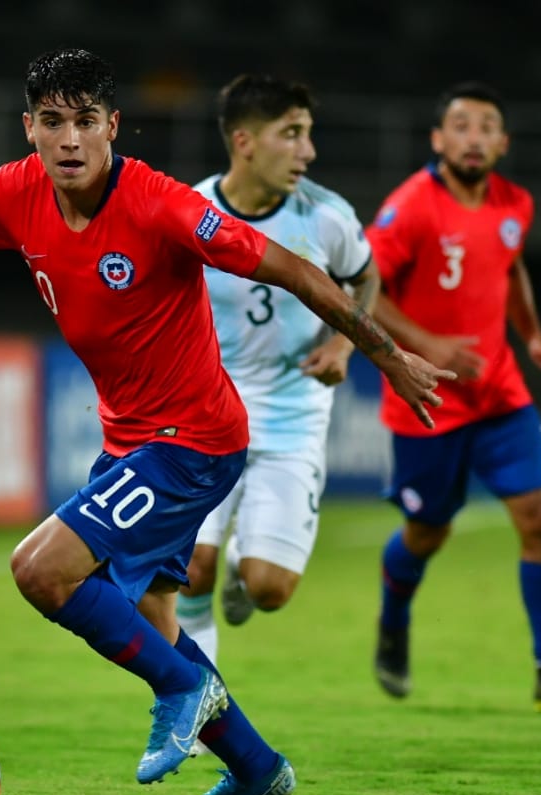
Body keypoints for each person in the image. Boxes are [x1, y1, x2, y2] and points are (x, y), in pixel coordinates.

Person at [0, 48, 452, 795]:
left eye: (86, 122)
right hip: (133, 444)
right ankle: (256, 766)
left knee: (41, 570)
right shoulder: (11, 194)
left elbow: (294, 270)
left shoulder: (163, 204)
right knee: (154, 618)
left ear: (113, 126)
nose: (70, 140)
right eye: (53, 123)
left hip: (197, 441)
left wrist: (387, 354)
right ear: (30, 130)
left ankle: (183, 689)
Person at [364, 81, 541, 711]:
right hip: (429, 400)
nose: (473, 137)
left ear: (502, 142)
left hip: (500, 393)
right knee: (427, 532)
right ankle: (394, 620)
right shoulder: (411, 206)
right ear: (438, 139)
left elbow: (510, 264)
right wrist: (428, 344)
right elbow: (362, 283)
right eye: (460, 125)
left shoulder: (515, 203)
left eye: (485, 126)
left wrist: (536, 337)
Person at [176, 73, 380, 671]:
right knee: (188, 570)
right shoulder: (187, 211)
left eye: (308, 135)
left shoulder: (326, 217)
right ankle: (201, 707)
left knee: (269, 589)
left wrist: (343, 344)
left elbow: (367, 278)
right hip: (205, 415)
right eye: (291, 135)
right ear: (244, 141)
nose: (307, 152)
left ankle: (247, 559)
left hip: (292, 416)